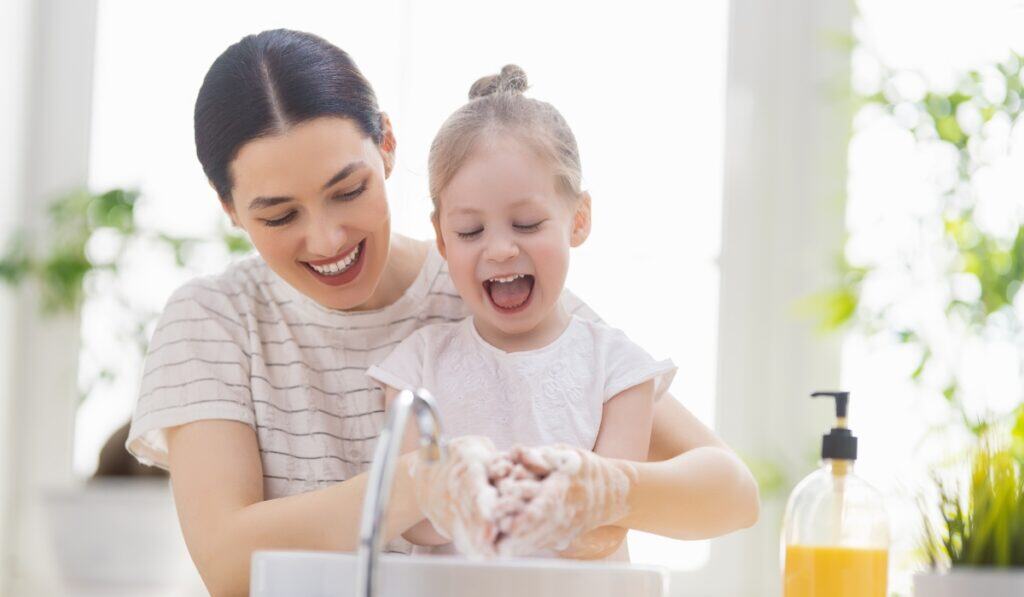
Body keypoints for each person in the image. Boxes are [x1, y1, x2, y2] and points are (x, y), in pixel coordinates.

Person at [126, 29, 759, 597]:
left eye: (348, 191)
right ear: (230, 207)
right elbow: (228, 565)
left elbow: (729, 492)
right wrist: (415, 488)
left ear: (388, 148)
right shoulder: (215, 321)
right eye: (279, 215)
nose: (326, 240)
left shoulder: (487, 284)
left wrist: (605, 490)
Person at [367, 65, 675, 560]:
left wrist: (561, 495)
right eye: (470, 232)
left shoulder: (619, 370)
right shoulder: (415, 367)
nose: (502, 249)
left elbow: (605, 532)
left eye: (527, 223)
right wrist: (453, 491)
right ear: (442, 238)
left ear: (578, 220)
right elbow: (411, 526)